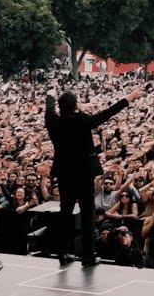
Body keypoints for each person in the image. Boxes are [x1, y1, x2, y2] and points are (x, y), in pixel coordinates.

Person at [44, 86, 145, 266]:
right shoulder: (82, 121)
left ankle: (62, 252)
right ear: (76, 105)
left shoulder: (53, 121)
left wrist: (50, 95)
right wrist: (128, 97)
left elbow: (50, 108)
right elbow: (106, 114)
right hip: (83, 173)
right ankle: (88, 255)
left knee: (65, 212)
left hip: (64, 172)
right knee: (87, 213)